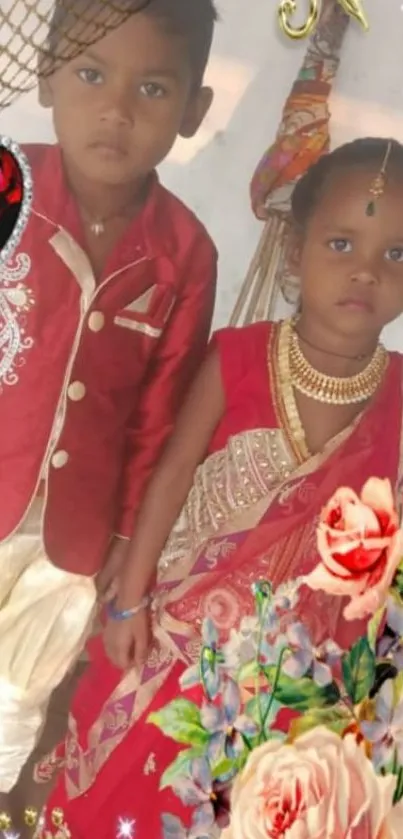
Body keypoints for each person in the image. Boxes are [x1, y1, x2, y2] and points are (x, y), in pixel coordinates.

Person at [36, 136, 403, 838]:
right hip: (180, 643)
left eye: (394, 254)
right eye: (340, 243)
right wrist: (129, 601)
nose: (365, 272)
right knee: (126, 796)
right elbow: (171, 473)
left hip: (306, 679)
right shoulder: (238, 355)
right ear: (294, 252)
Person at [0, 0, 218, 808]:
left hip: (72, 545)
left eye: (154, 89)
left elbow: (158, 423)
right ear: (49, 77)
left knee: (14, 704)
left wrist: (127, 565)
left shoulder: (186, 254)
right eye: (92, 74)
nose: (118, 110)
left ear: (193, 111)